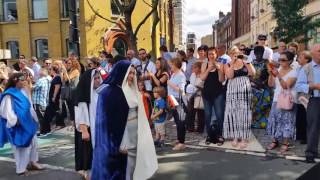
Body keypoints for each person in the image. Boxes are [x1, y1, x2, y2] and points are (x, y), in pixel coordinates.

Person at [91, 60, 158, 180]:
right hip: (122, 138)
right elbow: (107, 123)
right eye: (129, 73)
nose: (132, 76)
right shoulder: (109, 93)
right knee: (125, 168)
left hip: (136, 135)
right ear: (121, 72)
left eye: (133, 73)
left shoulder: (133, 90)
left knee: (134, 167)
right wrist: (122, 142)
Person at [0, 73, 44, 175]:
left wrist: (34, 119)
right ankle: (21, 169)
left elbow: (29, 106)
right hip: (17, 124)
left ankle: (33, 162)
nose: (25, 82)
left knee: (33, 142)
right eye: (22, 80)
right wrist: (16, 121)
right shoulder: (9, 94)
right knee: (20, 146)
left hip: (28, 122)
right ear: (16, 81)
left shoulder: (24, 91)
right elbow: (4, 111)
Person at [74, 57, 102, 179]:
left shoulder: (98, 93)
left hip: (98, 128)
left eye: (98, 78)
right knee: (87, 153)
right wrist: (84, 130)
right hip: (88, 130)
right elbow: (80, 115)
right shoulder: (82, 96)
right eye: (95, 79)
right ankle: (88, 174)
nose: (98, 81)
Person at [224, 49, 256, 149]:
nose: (235, 55)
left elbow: (252, 73)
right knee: (233, 112)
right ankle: (235, 136)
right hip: (232, 88)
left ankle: (244, 137)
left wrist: (247, 62)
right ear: (230, 54)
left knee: (244, 112)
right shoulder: (227, 63)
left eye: (236, 53)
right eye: (232, 53)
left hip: (244, 88)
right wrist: (232, 63)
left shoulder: (245, 60)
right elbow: (229, 76)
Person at [266, 51, 298, 153]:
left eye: (283, 60)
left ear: (289, 61)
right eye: (279, 60)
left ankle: (285, 143)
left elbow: (285, 86)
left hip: (288, 100)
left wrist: (278, 75)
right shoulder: (278, 69)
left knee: (287, 121)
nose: (280, 62)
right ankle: (274, 141)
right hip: (276, 99)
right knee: (274, 120)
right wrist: (271, 74)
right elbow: (271, 85)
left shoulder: (294, 72)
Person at [295, 44, 320, 163]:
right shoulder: (307, 68)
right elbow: (298, 86)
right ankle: (311, 153)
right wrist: (313, 86)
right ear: (313, 53)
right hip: (314, 99)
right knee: (313, 127)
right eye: (319, 51)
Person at [200, 47, 225, 146]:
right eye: (209, 54)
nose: (211, 56)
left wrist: (219, 69)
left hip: (218, 93)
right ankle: (209, 135)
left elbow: (221, 80)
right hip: (206, 93)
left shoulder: (221, 64)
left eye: (213, 54)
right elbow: (202, 78)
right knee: (208, 115)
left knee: (219, 115)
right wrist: (208, 69)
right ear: (207, 55)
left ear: (216, 55)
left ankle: (219, 135)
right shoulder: (204, 64)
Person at [250, 44, 273, 129]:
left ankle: (264, 123)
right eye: (257, 53)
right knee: (254, 107)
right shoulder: (251, 62)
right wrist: (255, 82)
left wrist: (264, 82)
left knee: (265, 106)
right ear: (254, 53)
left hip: (265, 87)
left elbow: (272, 73)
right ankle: (253, 123)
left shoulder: (267, 62)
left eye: (261, 53)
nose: (259, 55)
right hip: (254, 88)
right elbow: (248, 75)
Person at [167, 58, 187, 151]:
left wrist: (170, 84)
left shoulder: (181, 75)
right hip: (172, 98)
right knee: (177, 121)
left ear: (175, 65)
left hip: (178, 99)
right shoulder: (174, 74)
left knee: (180, 122)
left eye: (171, 64)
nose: (170, 66)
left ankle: (181, 143)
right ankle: (179, 140)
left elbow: (181, 90)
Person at [295, 51, 312, 144]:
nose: (298, 58)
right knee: (300, 116)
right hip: (300, 96)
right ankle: (302, 136)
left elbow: (309, 83)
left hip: (306, 96)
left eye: (300, 57)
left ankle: (305, 137)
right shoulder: (299, 68)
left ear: (306, 59)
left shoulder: (308, 68)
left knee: (305, 117)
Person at [185, 62, 205, 133]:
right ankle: (190, 127)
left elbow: (202, 85)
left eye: (195, 67)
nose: (193, 69)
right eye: (193, 67)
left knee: (200, 112)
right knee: (190, 111)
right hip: (192, 95)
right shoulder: (193, 75)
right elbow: (191, 83)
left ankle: (200, 129)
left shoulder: (202, 75)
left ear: (199, 68)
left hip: (200, 95)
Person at [43, 65, 62, 134]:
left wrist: (54, 96)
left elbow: (57, 87)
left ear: (53, 70)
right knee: (54, 112)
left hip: (54, 99)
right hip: (53, 98)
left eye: (50, 70)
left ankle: (46, 129)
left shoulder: (57, 78)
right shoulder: (55, 77)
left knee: (49, 113)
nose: (49, 71)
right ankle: (48, 128)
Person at [32, 68, 51, 135]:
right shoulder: (48, 79)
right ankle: (46, 130)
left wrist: (29, 84)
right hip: (44, 101)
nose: (38, 74)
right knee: (44, 117)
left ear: (41, 73)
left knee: (41, 118)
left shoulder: (41, 80)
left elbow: (34, 88)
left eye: (39, 72)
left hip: (39, 101)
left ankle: (43, 131)